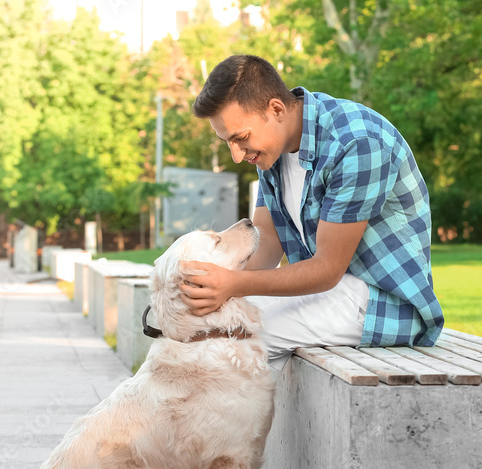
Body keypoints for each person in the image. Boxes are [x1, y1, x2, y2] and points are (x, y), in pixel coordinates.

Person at [181, 54, 444, 371]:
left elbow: (326, 269)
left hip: (380, 301)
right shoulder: (270, 152)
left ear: (276, 110)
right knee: (212, 327)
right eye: (228, 142)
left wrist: (233, 284)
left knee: (240, 341)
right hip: (327, 293)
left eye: (240, 138)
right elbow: (264, 249)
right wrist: (210, 295)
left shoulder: (357, 143)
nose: (236, 155)